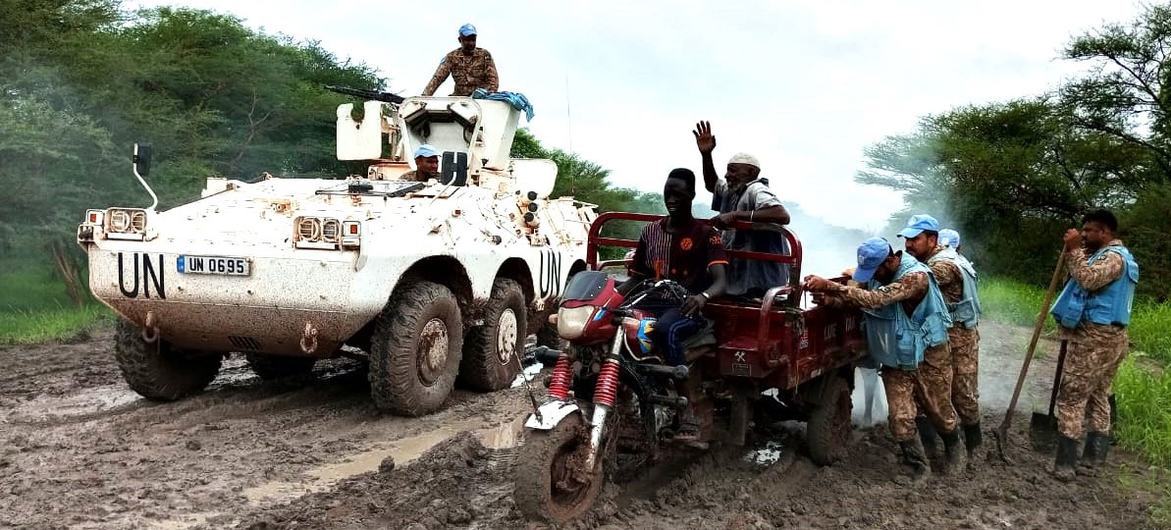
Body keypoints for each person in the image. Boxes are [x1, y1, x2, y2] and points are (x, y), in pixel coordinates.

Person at [804, 237, 964, 481]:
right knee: (900, 416)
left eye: (874, 270)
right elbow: (862, 302)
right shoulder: (880, 274)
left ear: (890, 260)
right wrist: (831, 300)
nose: (871, 276)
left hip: (930, 353)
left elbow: (878, 299)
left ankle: (956, 452)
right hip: (898, 354)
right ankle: (918, 466)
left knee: (939, 410)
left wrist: (832, 286)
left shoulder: (915, 277)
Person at [624, 168, 729, 446]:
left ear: (692, 195)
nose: (671, 198)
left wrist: (703, 297)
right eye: (668, 193)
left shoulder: (707, 234)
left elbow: (721, 282)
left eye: (678, 194)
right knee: (613, 324)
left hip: (687, 305)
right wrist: (606, 297)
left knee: (665, 330)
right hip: (652, 299)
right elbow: (636, 277)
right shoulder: (650, 232)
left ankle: (687, 412)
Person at [1048, 209, 1138, 481]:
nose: (1084, 234)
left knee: (1072, 396)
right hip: (1110, 338)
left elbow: (1087, 280)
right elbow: (1078, 274)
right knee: (1099, 394)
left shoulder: (1114, 258)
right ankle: (1092, 460)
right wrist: (1074, 253)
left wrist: (1075, 249)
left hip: (1095, 339)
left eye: (1089, 231)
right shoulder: (1111, 256)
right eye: (1083, 231)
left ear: (1105, 232)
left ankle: (1066, 464)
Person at [901, 217, 983, 461]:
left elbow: (915, 284)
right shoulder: (940, 258)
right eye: (906, 239)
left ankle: (973, 448)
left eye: (915, 239)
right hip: (937, 338)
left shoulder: (943, 265)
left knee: (962, 394)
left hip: (957, 340)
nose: (908, 245)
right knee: (927, 392)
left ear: (932, 239)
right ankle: (933, 449)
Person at [692, 121, 791, 298]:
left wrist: (736, 215)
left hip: (760, 282)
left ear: (751, 172)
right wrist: (706, 155)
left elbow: (781, 214)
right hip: (738, 278)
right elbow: (711, 184)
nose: (727, 175)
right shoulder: (733, 190)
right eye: (728, 170)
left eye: (733, 171)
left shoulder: (756, 190)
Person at [422, 23, 499, 97]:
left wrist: (490, 94)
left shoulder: (484, 55)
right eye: (467, 40)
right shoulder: (451, 57)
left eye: (473, 40)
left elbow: (493, 80)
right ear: (460, 40)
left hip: (480, 99)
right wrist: (425, 96)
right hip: (459, 100)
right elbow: (437, 78)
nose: (471, 43)